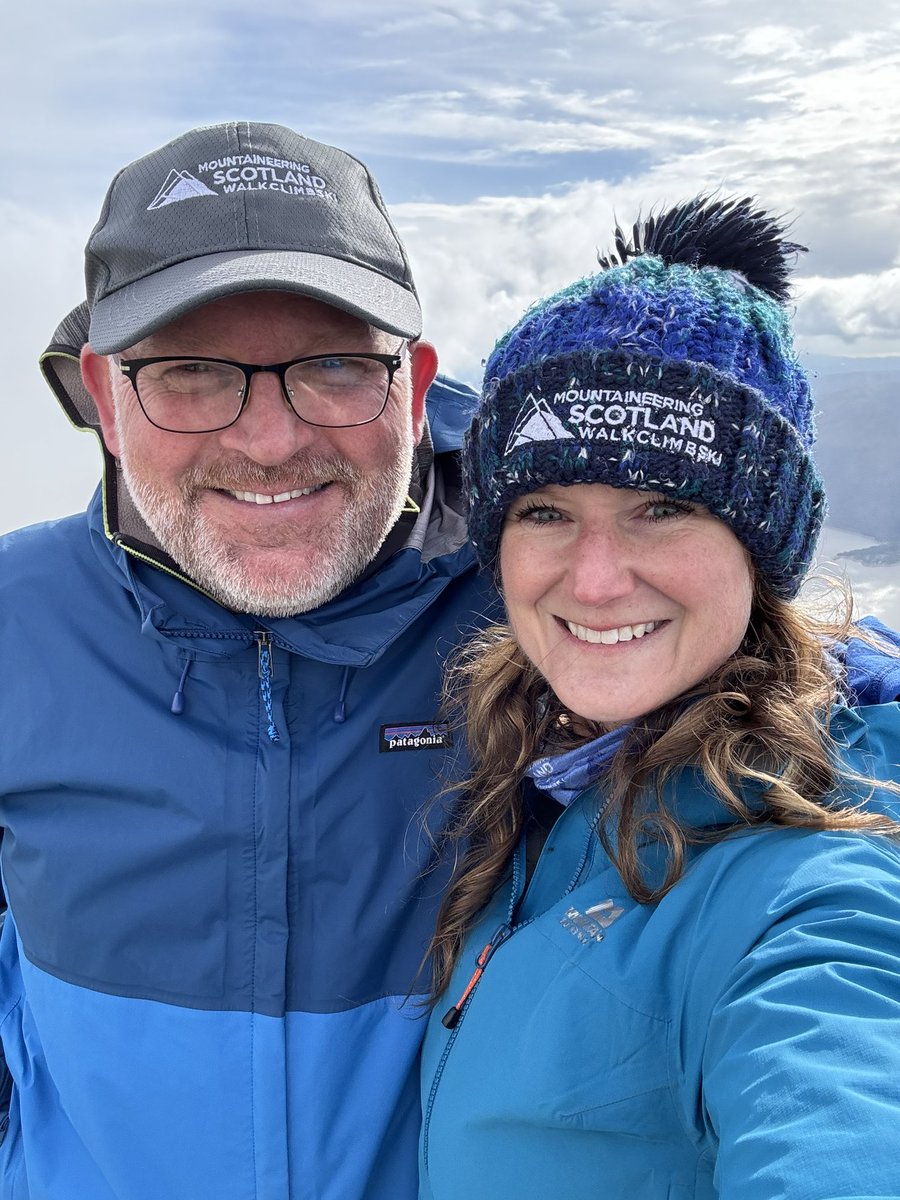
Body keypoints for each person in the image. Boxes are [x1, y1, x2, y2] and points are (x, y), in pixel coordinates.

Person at [0, 121, 496, 1200]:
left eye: (331, 367)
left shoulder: (539, 615)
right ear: (104, 396)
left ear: (413, 385)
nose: (269, 441)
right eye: (187, 374)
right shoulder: (14, 623)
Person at [418, 197, 900, 1200]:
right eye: (546, 510)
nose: (595, 581)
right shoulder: (547, 761)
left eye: (664, 508)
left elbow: (836, 1100)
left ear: (764, 551)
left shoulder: (816, 877)